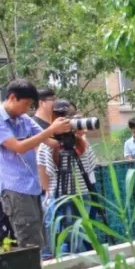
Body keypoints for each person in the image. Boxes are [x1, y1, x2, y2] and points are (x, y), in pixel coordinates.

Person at [0, 79, 71, 253]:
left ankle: (41, 267)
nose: (27, 109)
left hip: (32, 187)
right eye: (25, 104)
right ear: (12, 98)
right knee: (29, 240)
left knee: (39, 236)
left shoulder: (23, 119)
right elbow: (19, 147)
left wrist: (67, 132)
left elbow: (49, 141)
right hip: (14, 188)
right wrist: (52, 129)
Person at [37, 99, 98, 254]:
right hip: (79, 194)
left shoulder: (48, 144)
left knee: (65, 232)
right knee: (78, 231)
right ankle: (73, 256)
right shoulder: (79, 143)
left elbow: (44, 174)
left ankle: (67, 258)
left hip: (61, 196)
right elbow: (90, 167)